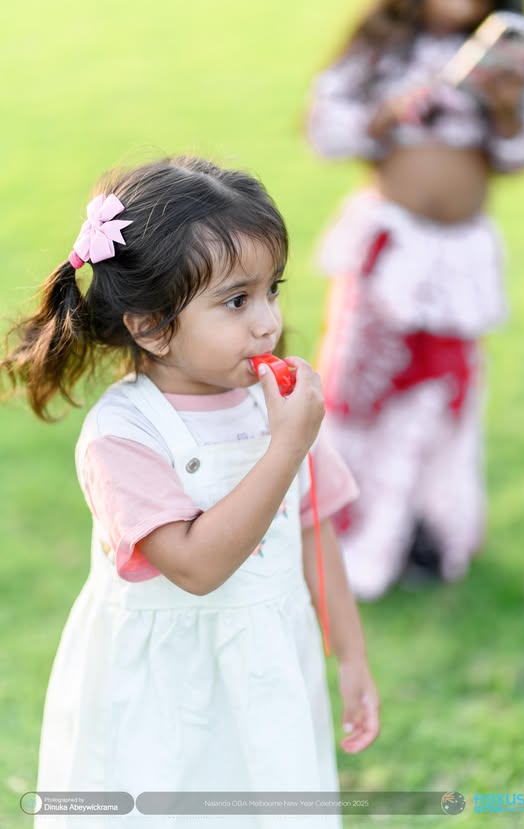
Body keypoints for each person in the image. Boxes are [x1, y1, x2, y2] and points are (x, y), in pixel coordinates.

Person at [1, 156, 380, 828]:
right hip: (159, 690)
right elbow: (196, 565)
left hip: (266, 666)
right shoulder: (123, 437)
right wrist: (285, 447)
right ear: (150, 325)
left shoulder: (280, 403)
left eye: (272, 290)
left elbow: (314, 528)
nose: (267, 321)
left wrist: (350, 655)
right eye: (237, 301)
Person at [306, 0, 524, 599]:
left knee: (442, 393)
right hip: (389, 250)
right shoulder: (380, 48)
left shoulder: (509, 66)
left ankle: (425, 531)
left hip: (458, 262)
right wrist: (385, 116)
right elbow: (325, 129)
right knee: (363, 385)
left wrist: (504, 109)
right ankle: (342, 528)